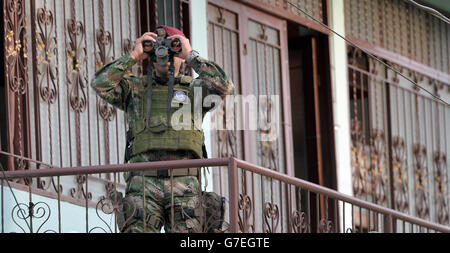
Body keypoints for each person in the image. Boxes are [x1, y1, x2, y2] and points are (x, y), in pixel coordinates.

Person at [91, 25, 234, 233]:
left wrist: (191, 55)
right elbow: (100, 83)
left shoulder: (195, 91)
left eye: (172, 48)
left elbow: (224, 86)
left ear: (180, 55)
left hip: (184, 182)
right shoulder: (135, 89)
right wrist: (134, 55)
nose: (165, 55)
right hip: (143, 181)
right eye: (158, 49)